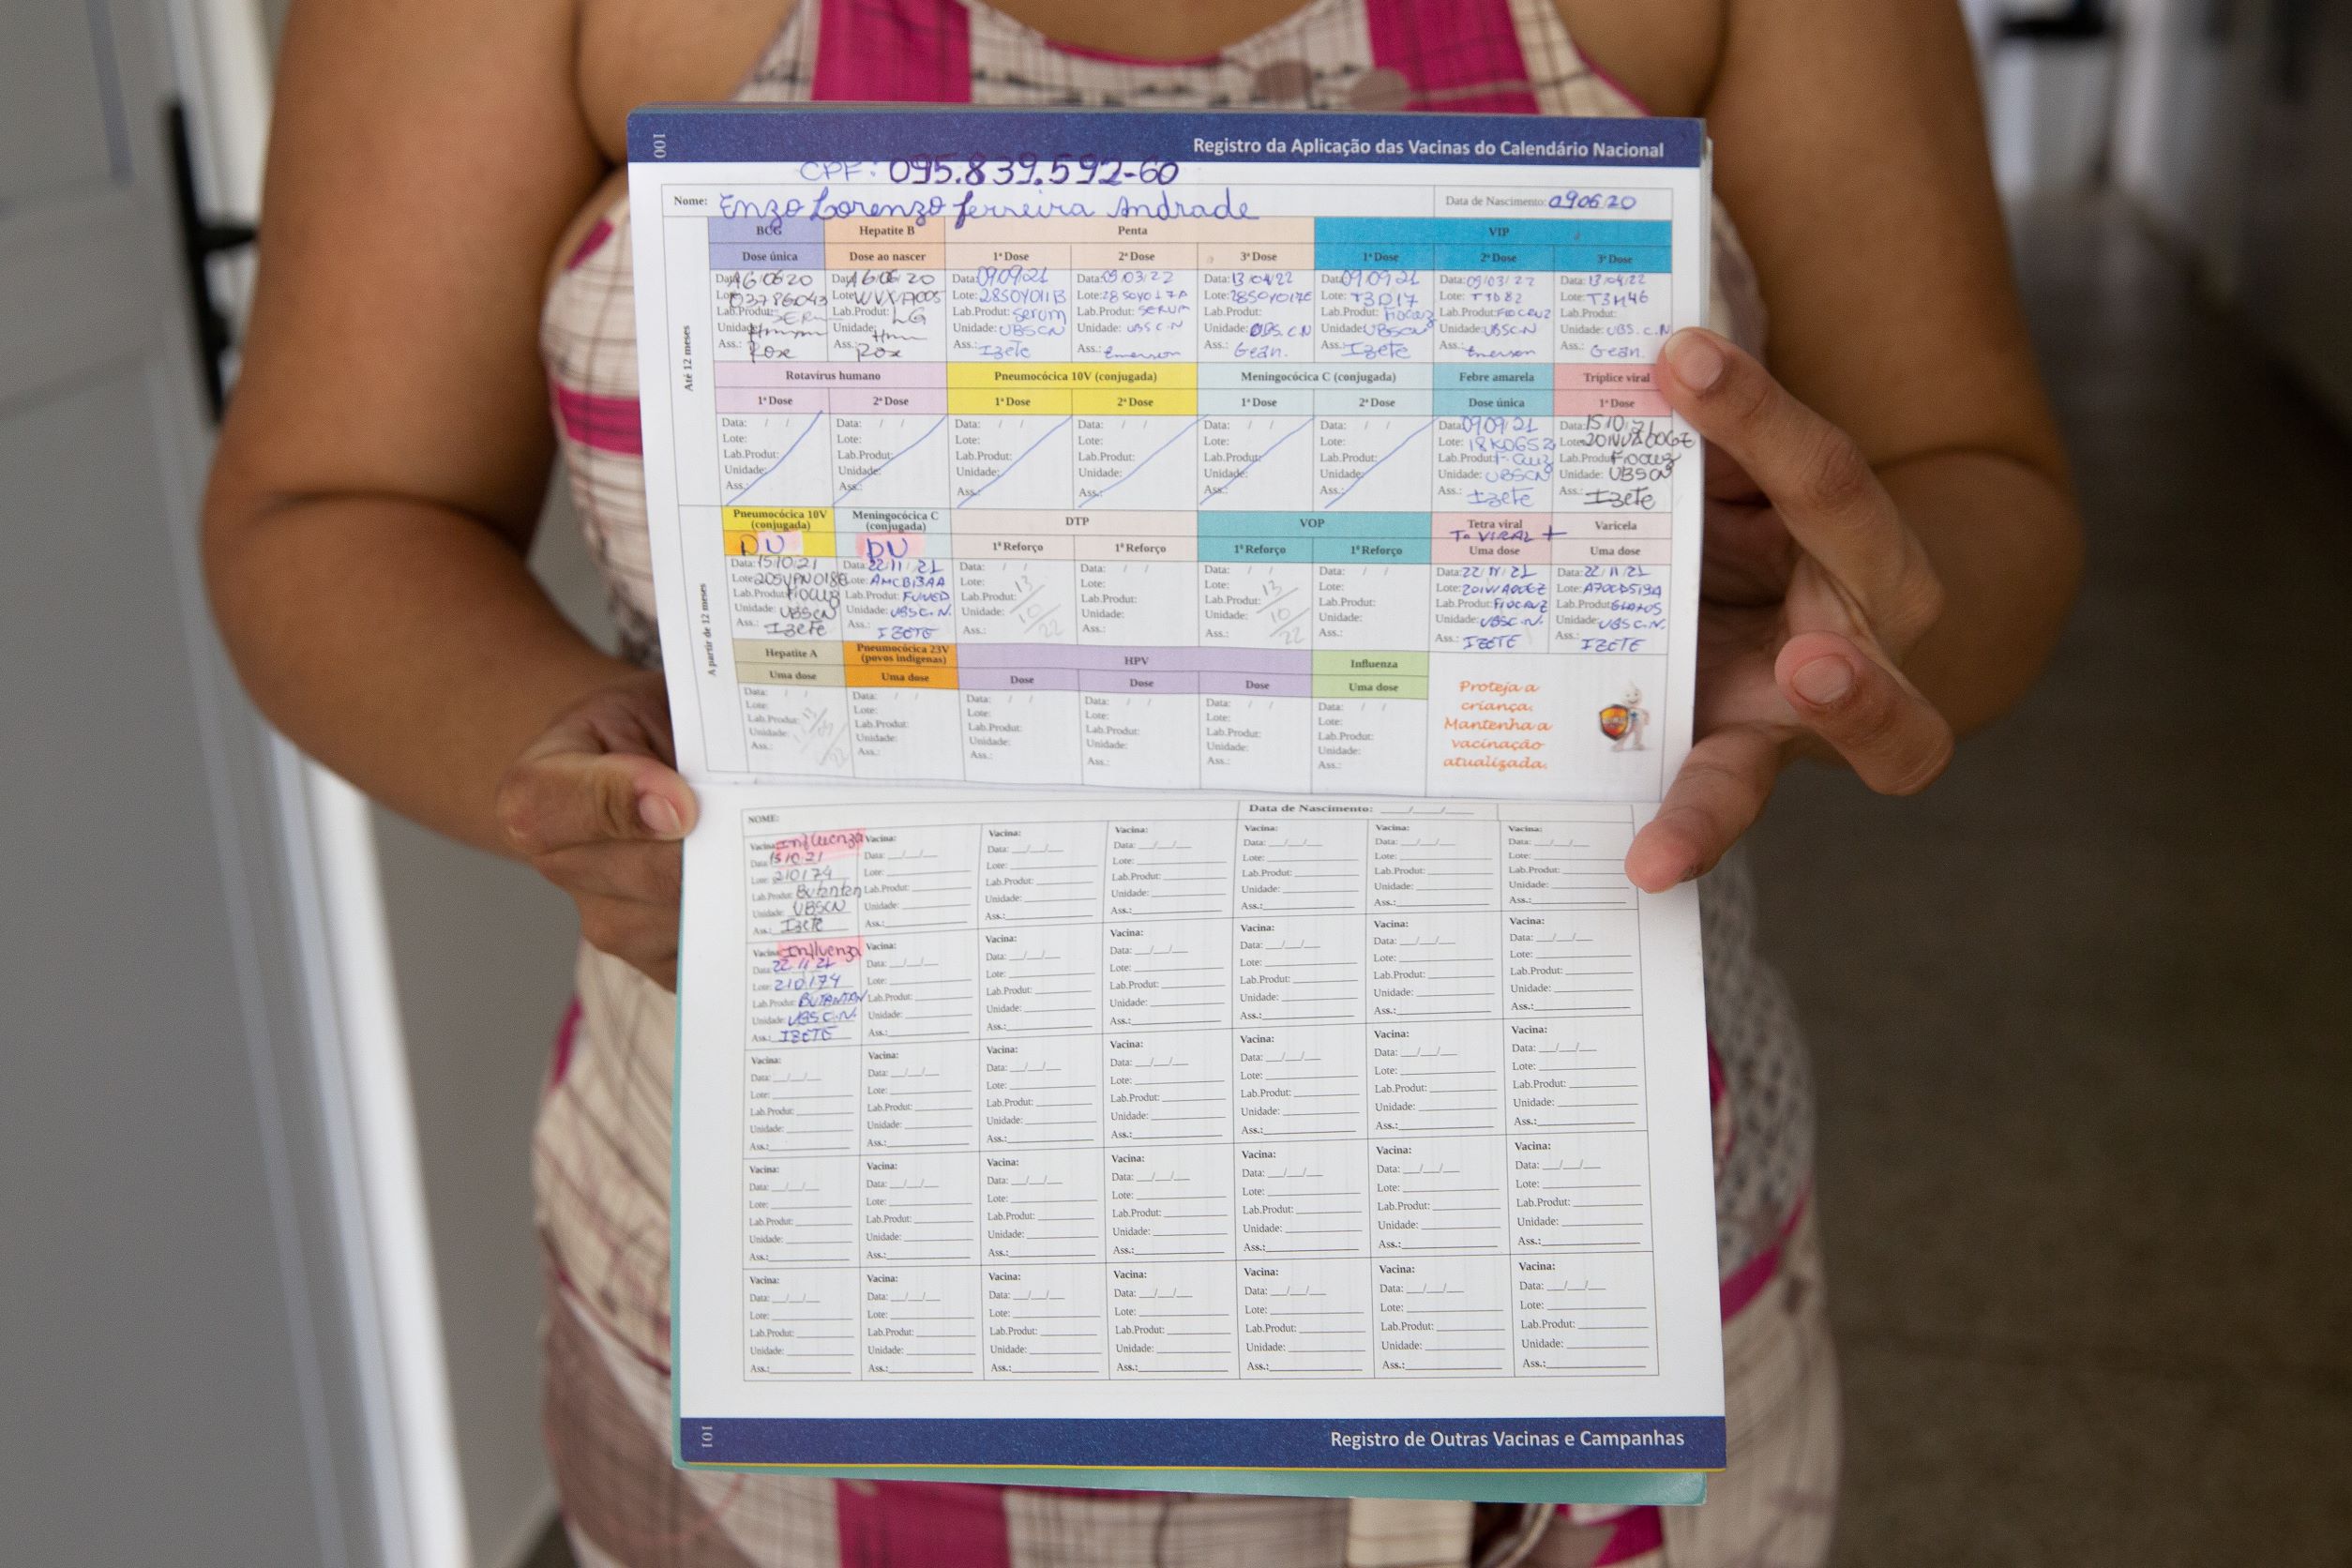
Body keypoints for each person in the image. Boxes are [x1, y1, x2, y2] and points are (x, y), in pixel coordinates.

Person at [204, 0, 2081, 1561]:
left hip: (1573, 1315)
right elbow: (334, 501)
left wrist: (1862, 622)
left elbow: (1973, 479)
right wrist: (559, 746)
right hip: (801, 1339)